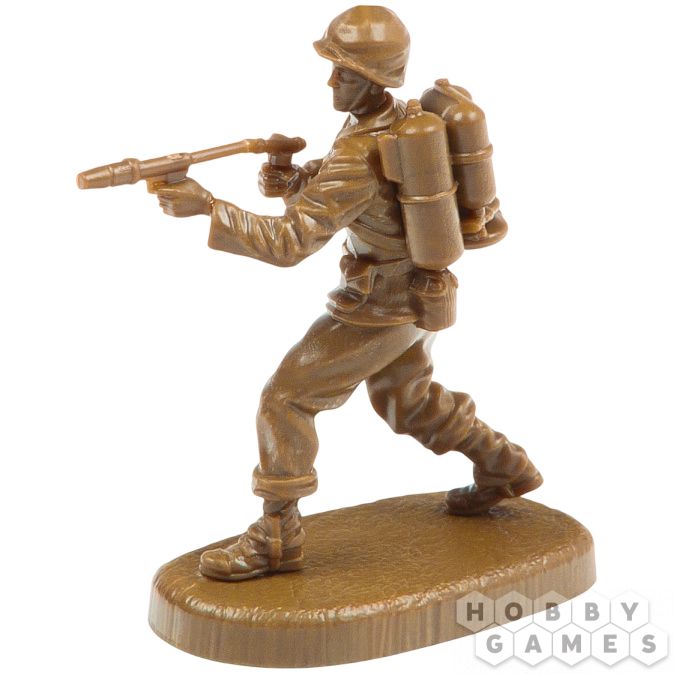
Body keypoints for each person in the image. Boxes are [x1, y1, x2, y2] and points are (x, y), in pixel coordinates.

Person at [151, 6, 542, 581]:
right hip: (418, 293)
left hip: (378, 305)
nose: (331, 80)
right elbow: (369, 200)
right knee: (406, 401)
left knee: (285, 399)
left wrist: (207, 207)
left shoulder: (361, 152)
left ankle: (276, 536)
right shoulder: (390, 122)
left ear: (374, 78)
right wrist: (300, 181)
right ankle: (503, 464)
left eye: (344, 71)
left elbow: (289, 243)